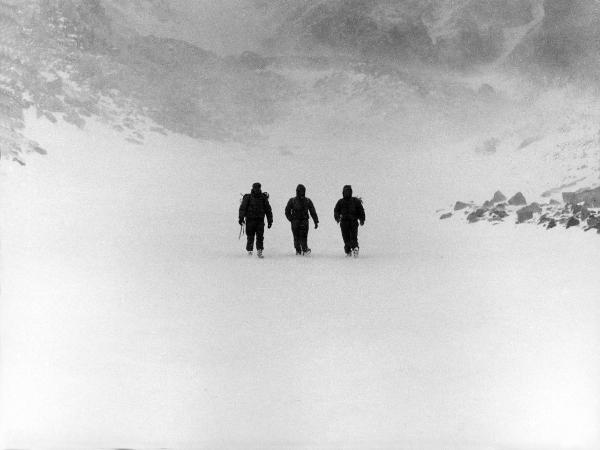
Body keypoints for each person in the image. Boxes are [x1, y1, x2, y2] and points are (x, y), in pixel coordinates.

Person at [239, 182, 273, 258]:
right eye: (256, 188)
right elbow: (243, 208)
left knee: (260, 237)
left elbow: (268, 210)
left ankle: (259, 251)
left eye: (258, 188)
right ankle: (250, 251)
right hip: (250, 221)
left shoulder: (263, 198)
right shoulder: (248, 197)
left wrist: (270, 220)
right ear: (253, 188)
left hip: (259, 221)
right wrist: (241, 218)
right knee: (250, 236)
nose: (257, 189)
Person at [285, 184, 319, 255]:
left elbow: (312, 211)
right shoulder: (295, 200)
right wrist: (291, 219)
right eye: (301, 191)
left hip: (302, 221)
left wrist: (316, 221)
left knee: (300, 236)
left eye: (303, 191)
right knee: (299, 236)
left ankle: (302, 249)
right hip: (298, 221)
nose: (302, 192)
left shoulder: (305, 201)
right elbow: (287, 211)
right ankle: (301, 250)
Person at [334, 185, 365, 257]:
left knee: (350, 237)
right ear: (343, 192)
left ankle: (353, 249)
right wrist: (337, 217)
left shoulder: (355, 201)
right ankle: (351, 250)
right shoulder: (341, 202)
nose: (347, 193)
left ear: (351, 192)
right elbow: (336, 211)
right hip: (346, 222)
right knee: (347, 237)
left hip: (351, 222)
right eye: (345, 192)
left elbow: (361, 211)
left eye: (348, 191)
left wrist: (362, 219)